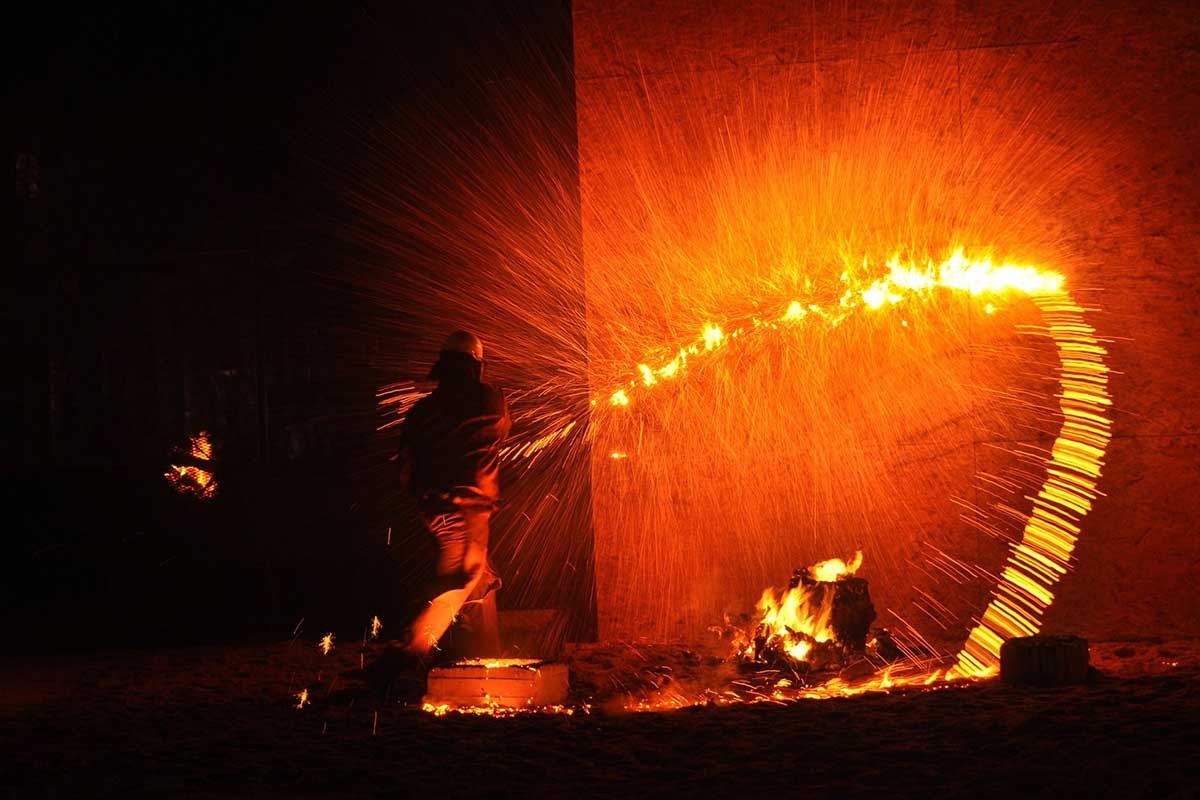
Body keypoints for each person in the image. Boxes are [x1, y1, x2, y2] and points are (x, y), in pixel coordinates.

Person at [396, 330, 511, 662]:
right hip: (470, 511)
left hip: (436, 511)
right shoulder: (493, 400)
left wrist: (428, 499)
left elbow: (406, 468)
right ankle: (409, 648)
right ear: (476, 366)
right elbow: (500, 434)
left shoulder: (421, 412)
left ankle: (472, 655)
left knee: (479, 578)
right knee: (462, 579)